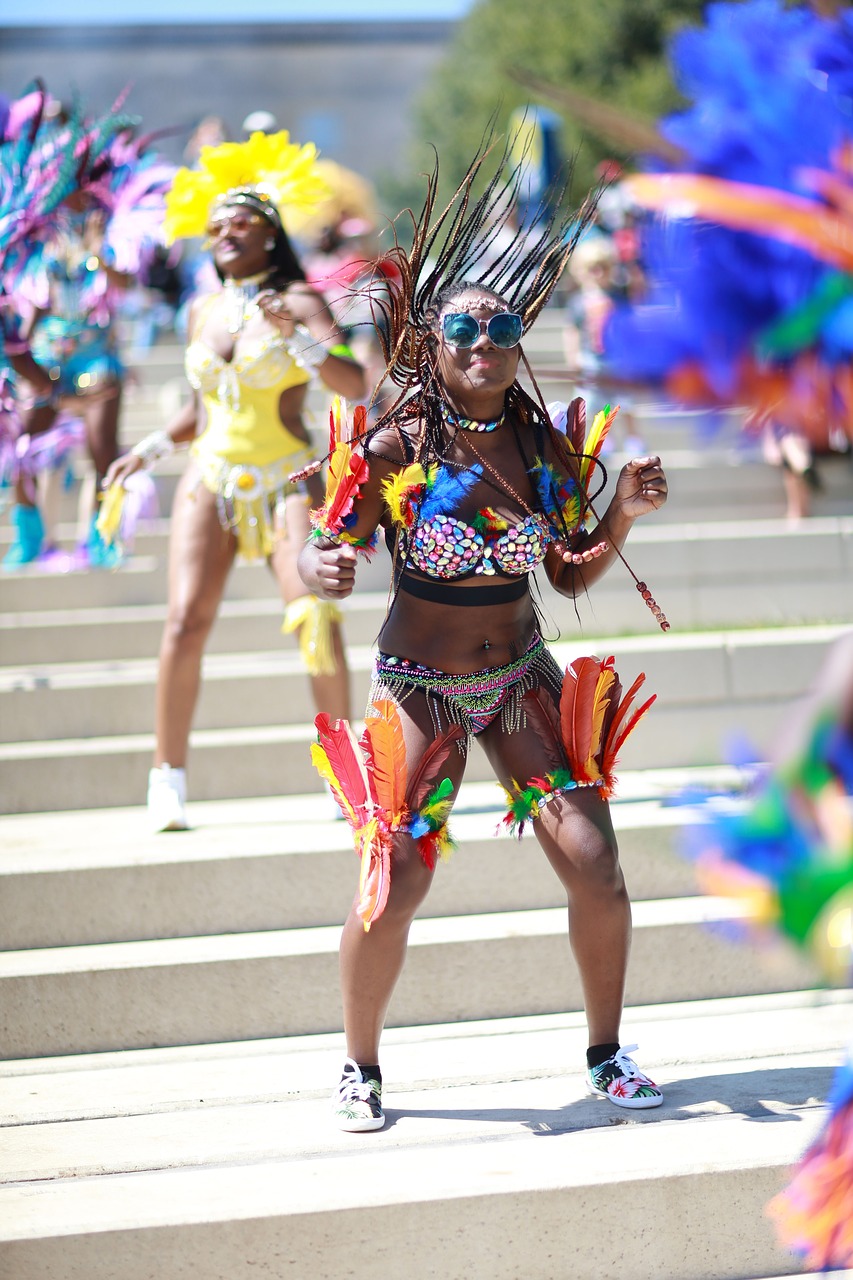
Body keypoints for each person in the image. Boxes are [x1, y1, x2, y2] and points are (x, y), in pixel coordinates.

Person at [297, 139, 670, 1132]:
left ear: (519, 342)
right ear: (428, 340)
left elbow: (564, 570)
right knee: (397, 875)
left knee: (594, 859)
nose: (481, 343)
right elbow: (323, 549)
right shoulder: (396, 446)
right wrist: (321, 568)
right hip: (418, 682)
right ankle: (359, 1065)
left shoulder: (546, 455)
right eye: (460, 326)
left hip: (518, 679)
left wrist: (620, 517)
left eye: (500, 328)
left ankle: (605, 1050)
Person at [104, 129, 366, 832]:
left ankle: (342, 769)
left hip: (287, 478)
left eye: (239, 222)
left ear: (270, 233)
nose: (223, 233)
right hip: (209, 478)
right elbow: (200, 405)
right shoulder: (202, 309)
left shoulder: (300, 300)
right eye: (215, 225)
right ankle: (168, 777)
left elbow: (354, 381)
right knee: (184, 622)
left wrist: (299, 337)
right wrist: (151, 447)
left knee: (314, 618)